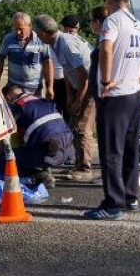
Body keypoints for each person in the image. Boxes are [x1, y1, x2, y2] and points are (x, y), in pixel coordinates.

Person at [84, 0, 140, 220]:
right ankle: (130, 196)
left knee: (111, 152)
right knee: (129, 149)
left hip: (115, 96)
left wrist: (106, 81)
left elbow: (106, 48)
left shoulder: (113, 20)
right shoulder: (137, 23)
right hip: (134, 95)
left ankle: (113, 204)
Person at [33, 14, 96, 183]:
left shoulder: (66, 44)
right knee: (73, 125)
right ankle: (78, 164)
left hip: (90, 86)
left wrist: (78, 100)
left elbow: (84, 76)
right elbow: (69, 72)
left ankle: (85, 168)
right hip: (78, 86)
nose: (37, 37)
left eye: (37, 33)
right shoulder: (56, 43)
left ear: (45, 32)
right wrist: (69, 96)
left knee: (82, 128)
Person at [0, 85, 73, 189]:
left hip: (48, 152)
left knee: (1, 160)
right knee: (35, 140)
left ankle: (40, 175)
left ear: (7, 99)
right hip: (68, 149)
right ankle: (45, 168)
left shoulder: (18, 106)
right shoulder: (43, 101)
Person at [0, 12, 53, 99]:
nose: (18, 32)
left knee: (33, 112)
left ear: (30, 26)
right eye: (15, 28)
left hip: (35, 92)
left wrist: (50, 87)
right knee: (14, 112)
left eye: (21, 29)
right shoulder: (8, 39)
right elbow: (0, 59)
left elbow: (47, 63)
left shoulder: (40, 40)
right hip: (14, 90)